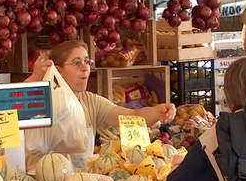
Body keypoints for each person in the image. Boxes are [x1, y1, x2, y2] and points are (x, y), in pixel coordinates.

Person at [24, 40, 175, 169]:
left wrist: (158, 112)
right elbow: (7, 113)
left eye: (87, 62)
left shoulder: (91, 101)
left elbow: (134, 116)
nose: (85, 68)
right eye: (77, 63)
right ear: (58, 71)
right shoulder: (40, 99)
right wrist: (32, 82)